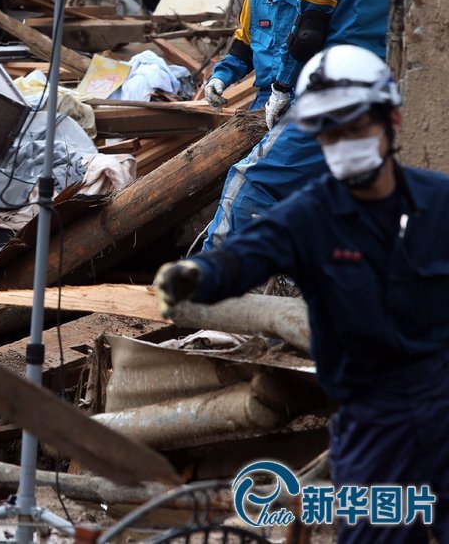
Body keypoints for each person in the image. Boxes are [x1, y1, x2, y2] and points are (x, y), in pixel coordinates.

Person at [156, 45, 449, 544]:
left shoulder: (440, 204)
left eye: (354, 126)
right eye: (329, 132)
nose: (342, 143)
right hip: (371, 420)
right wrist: (196, 275)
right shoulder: (310, 216)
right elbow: (242, 257)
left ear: (392, 118)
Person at [201, 0, 328, 250]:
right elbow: (242, 49)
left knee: (256, 182)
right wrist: (221, 77)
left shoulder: (318, 0)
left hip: (303, 107)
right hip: (261, 108)